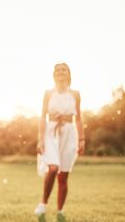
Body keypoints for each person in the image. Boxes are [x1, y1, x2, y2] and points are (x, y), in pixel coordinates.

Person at [35, 63, 85, 222]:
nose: (60, 72)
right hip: (51, 133)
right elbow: (43, 116)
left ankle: (60, 211)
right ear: (53, 74)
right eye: (57, 70)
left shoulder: (75, 94)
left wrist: (82, 139)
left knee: (63, 175)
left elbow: (79, 118)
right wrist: (40, 139)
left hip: (69, 134)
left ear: (69, 74)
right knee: (53, 167)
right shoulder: (48, 93)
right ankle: (42, 204)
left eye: (63, 69)